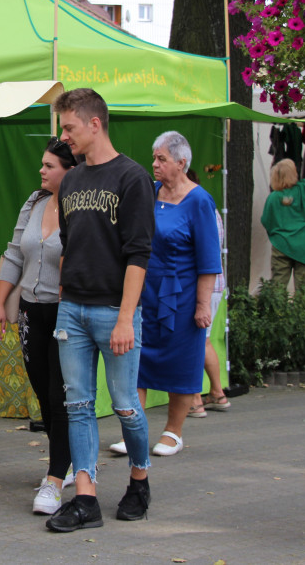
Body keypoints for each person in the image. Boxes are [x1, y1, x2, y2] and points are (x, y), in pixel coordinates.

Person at [45, 88, 155, 534]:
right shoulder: (70, 181)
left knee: (127, 405)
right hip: (72, 309)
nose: (63, 136)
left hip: (115, 311)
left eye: (69, 127)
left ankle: (140, 481)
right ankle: (85, 498)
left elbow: (139, 254)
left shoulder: (132, 178)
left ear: (95, 124)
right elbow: (70, 248)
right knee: (78, 406)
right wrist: (64, 298)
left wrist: (127, 316)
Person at [119, 132, 221, 456]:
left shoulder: (199, 200)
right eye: (154, 157)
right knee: (139, 361)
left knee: (180, 364)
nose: (155, 164)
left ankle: (173, 432)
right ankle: (134, 431)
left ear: (182, 162)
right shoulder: (150, 193)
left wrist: (203, 305)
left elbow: (209, 259)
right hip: (147, 291)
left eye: (161, 159)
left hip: (182, 296)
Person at [0, 138, 78, 515]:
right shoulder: (35, 202)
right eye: (42, 164)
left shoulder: (81, 208)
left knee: (60, 396)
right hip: (30, 310)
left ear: (70, 171)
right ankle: (68, 458)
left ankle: (56, 476)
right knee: (42, 391)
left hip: (66, 313)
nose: (41, 171)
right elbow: (13, 253)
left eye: (49, 166)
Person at [185, 169, 230, 418]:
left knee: (194, 342)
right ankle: (217, 392)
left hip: (199, 285)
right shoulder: (211, 208)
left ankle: (194, 400)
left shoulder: (195, 207)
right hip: (214, 284)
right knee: (204, 340)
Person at [260, 156, 305, 294]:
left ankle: (277, 314)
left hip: (281, 245)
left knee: (277, 288)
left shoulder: (273, 198)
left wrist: (279, 235)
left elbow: (266, 221)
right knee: (303, 291)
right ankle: (300, 315)